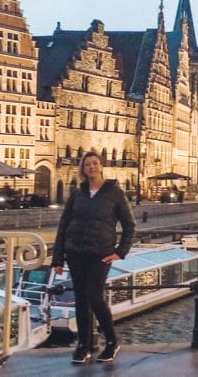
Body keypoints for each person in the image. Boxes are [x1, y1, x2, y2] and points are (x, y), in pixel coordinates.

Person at [51, 151, 135, 365]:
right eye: (87, 164)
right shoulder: (78, 192)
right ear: (83, 168)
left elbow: (129, 225)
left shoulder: (114, 192)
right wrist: (58, 258)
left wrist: (120, 251)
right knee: (80, 300)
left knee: (95, 297)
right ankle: (84, 345)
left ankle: (111, 342)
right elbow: (64, 224)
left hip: (100, 253)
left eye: (95, 163)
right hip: (76, 252)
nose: (91, 167)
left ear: (101, 166)